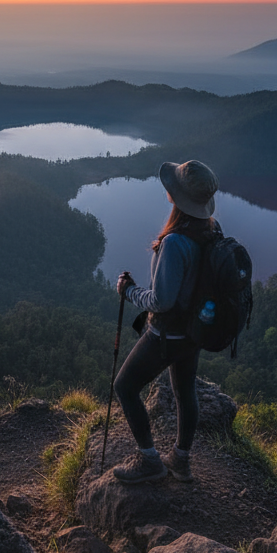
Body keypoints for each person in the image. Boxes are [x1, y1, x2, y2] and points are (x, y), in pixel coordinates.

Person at [112, 159, 219, 483]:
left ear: (176, 196)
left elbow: (161, 300)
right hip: (195, 331)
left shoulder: (175, 242)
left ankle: (150, 460)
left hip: (167, 334)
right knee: (185, 390)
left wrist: (129, 291)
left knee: (125, 387)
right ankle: (181, 460)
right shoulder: (211, 230)